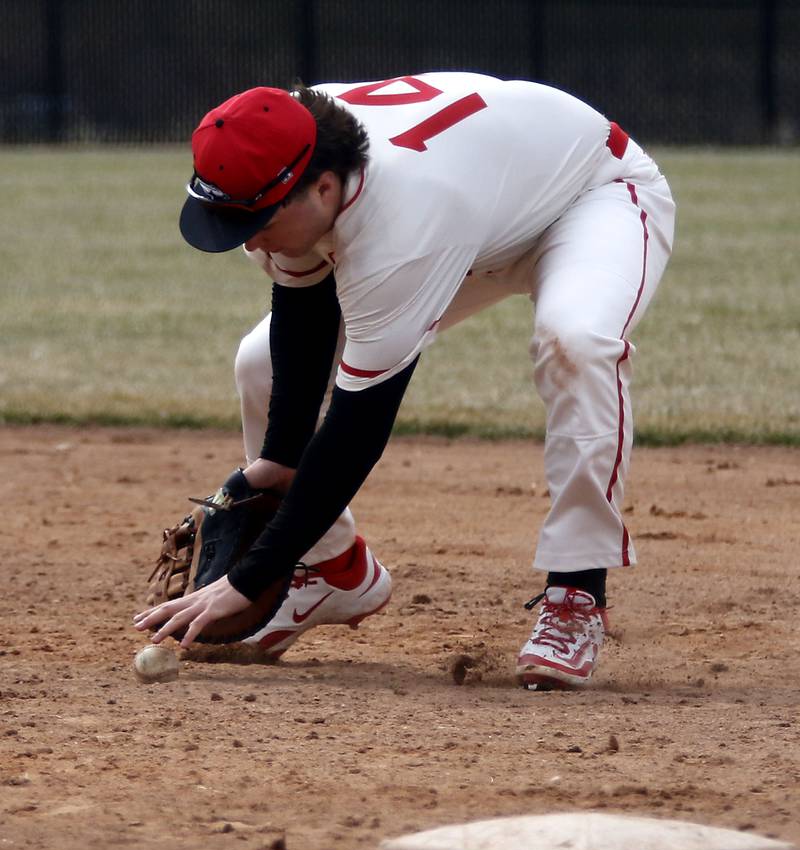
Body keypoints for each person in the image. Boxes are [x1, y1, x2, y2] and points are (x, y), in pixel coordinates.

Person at [134, 72, 675, 690]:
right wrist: (280, 461)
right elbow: (303, 311)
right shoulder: (283, 158)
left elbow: (359, 426)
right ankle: (332, 571)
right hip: (478, 213)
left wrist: (249, 576)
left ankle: (577, 591)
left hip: (587, 195)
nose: (246, 238)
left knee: (574, 342)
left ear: (324, 189)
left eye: (254, 220)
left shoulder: (400, 228)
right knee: (260, 363)